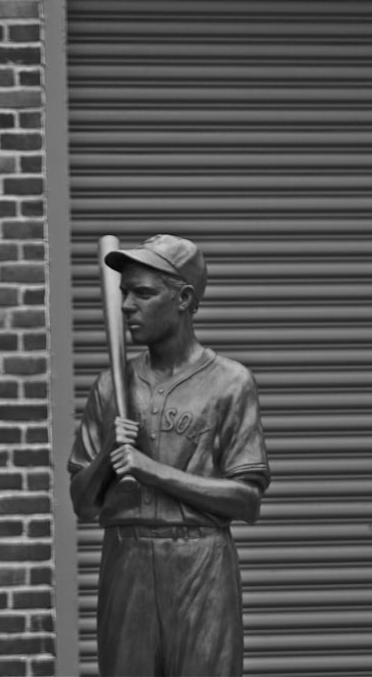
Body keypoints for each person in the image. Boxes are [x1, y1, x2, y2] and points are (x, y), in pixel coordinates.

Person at [68, 234, 271, 676]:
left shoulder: (230, 383)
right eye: (123, 293)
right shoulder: (111, 384)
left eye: (143, 293)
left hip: (200, 560)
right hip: (127, 560)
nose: (126, 306)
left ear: (183, 299)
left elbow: (247, 502)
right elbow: (82, 503)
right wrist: (108, 454)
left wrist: (151, 470)